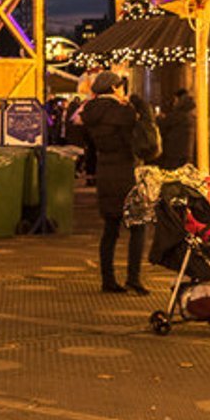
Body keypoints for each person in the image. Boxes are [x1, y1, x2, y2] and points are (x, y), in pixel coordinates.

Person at [81, 71, 153, 294]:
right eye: (121, 87)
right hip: (126, 171)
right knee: (138, 226)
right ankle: (133, 278)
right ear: (114, 88)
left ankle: (108, 279)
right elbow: (144, 136)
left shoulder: (90, 113)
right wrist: (139, 104)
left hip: (105, 172)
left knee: (110, 229)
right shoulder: (124, 113)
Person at [157, 89, 196, 169]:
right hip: (186, 152)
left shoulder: (178, 115)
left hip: (174, 152)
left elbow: (162, 125)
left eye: (175, 100)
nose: (174, 102)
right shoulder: (190, 115)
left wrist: (159, 119)